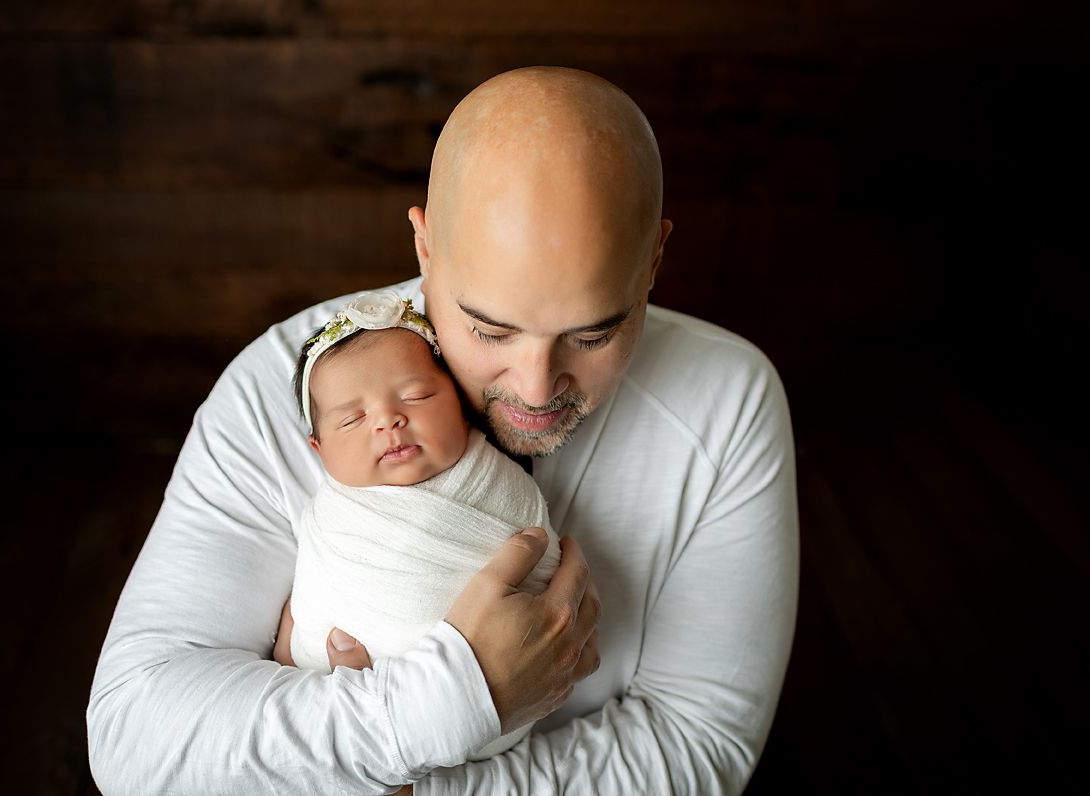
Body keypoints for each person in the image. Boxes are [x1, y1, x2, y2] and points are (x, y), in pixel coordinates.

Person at [87, 66, 799, 795]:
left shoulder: (728, 401)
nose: (534, 386)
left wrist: (391, 781)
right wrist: (458, 696)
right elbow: (135, 744)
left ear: (654, 257)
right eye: (490, 328)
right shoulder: (285, 387)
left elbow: (697, 749)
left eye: (592, 336)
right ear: (425, 250)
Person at [277, 290, 561, 760]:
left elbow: (544, 578)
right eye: (352, 419)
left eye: (417, 395)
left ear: (461, 405)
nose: (388, 420)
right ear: (319, 449)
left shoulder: (497, 482)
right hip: (340, 716)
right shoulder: (329, 517)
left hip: (507, 702)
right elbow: (308, 596)